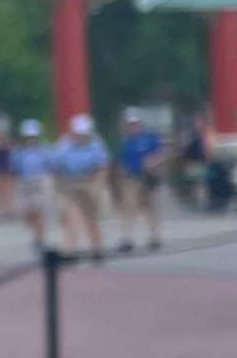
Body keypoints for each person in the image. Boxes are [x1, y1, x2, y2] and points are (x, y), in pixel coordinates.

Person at [54, 113, 109, 262]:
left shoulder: (96, 144)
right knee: (73, 217)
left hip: (89, 182)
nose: (80, 136)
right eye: (78, 133)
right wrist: (59, 189)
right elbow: (57, 168)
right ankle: (71, 249)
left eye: (83, 133)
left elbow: (102, 168)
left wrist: (98, 187)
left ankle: (97, 248)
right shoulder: (64, 144)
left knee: (92, 217)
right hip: (70, 183)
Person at [114, 107, 165, 253]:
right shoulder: (126, 141)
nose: (132, 126)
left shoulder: (149, 137)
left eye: (134, 123)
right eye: (130, 124)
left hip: (147, 177)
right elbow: (122, 160)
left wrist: (152, 161)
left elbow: (160, 153)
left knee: (149, 207)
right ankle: (126, 238)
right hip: (131, 178)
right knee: (128, 207)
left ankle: (155, 235)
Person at [12, 118, 55, 251]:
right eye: (29, 136)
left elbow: (51, 165)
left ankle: (39, 238)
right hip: (24, 181)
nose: (31, 139)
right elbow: (15, 167)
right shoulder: (19, 151)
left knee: (39, 210)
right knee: (27, 212)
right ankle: (36, 231)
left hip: (40, 180)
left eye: (33, 136)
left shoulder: (45, 149)